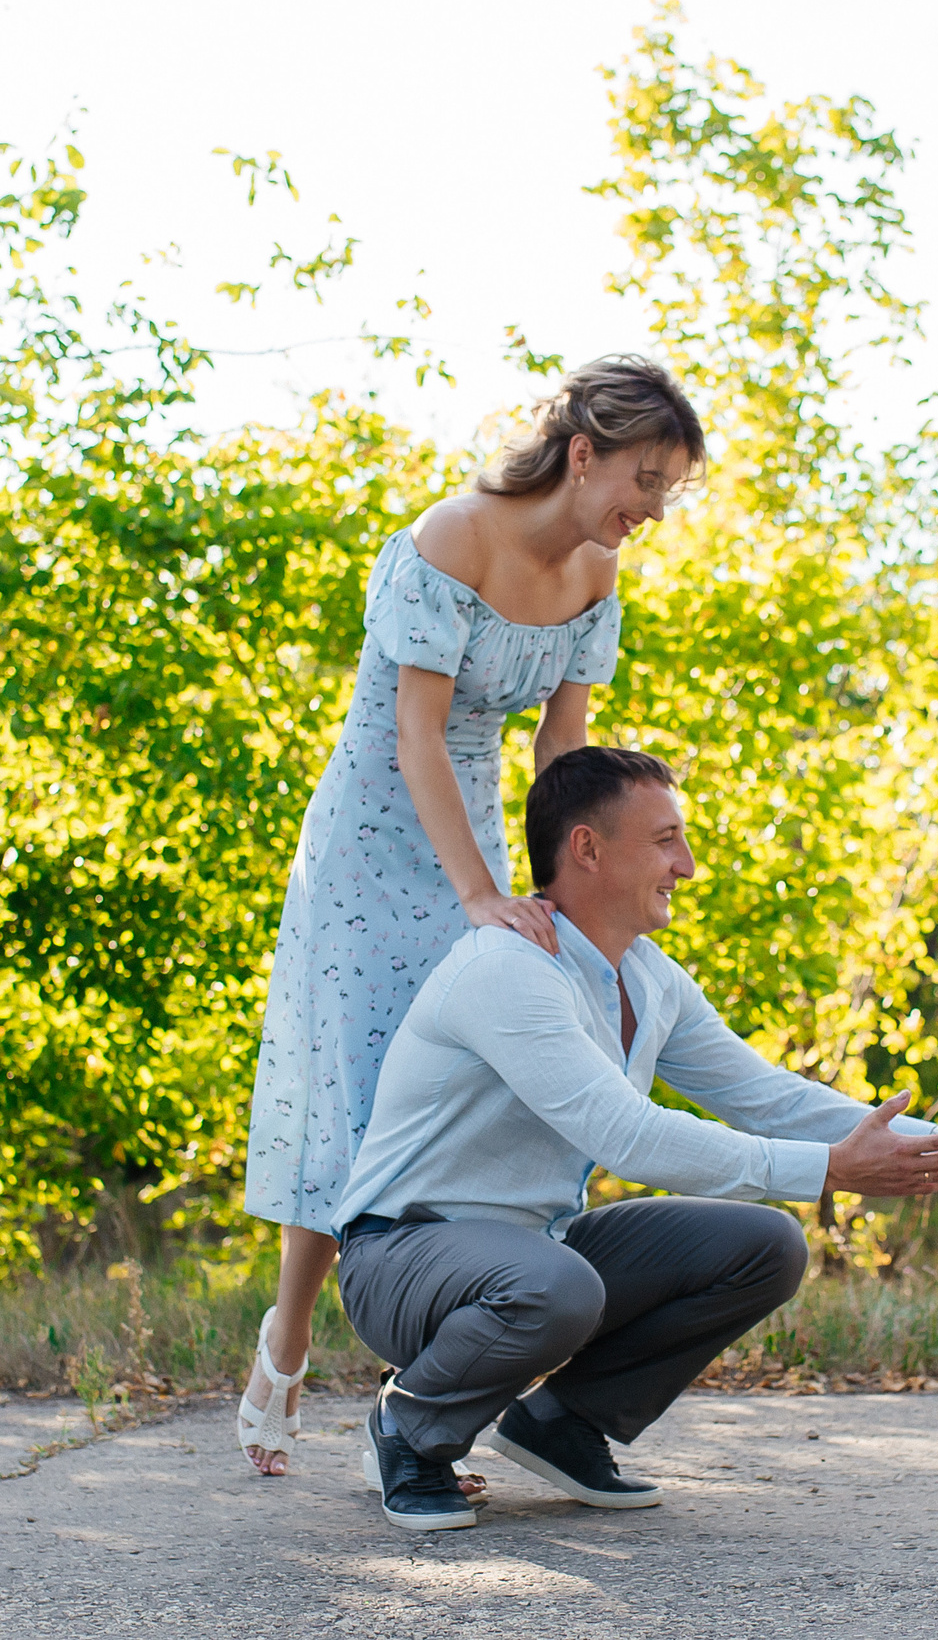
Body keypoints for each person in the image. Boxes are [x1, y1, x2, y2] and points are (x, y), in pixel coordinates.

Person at [333, 746, 938, 1531]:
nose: (686, 865)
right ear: (587, 847)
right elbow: (624, 1133)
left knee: (766, 1242)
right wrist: (829, 1169)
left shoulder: (650, 977)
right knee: (559, 1285)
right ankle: (410, 1428)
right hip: (403, 1254)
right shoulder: (507, 969)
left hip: (535, 1248)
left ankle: (560, 1422)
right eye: (665, 840)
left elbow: (767, 1097)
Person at [236, 357, 706, 1477]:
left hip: (483, 840)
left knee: (472, 1088)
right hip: (374, 837)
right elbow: (413, 738)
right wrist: (478, 898)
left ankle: (453, 1370)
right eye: (644, 480)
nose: (650, 510)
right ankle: (288, 1344)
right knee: (357, 1087)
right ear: (582, 453)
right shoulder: (452, 540)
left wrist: (559, 889)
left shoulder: (597, 574)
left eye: (670, 490)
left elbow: (565, 751)